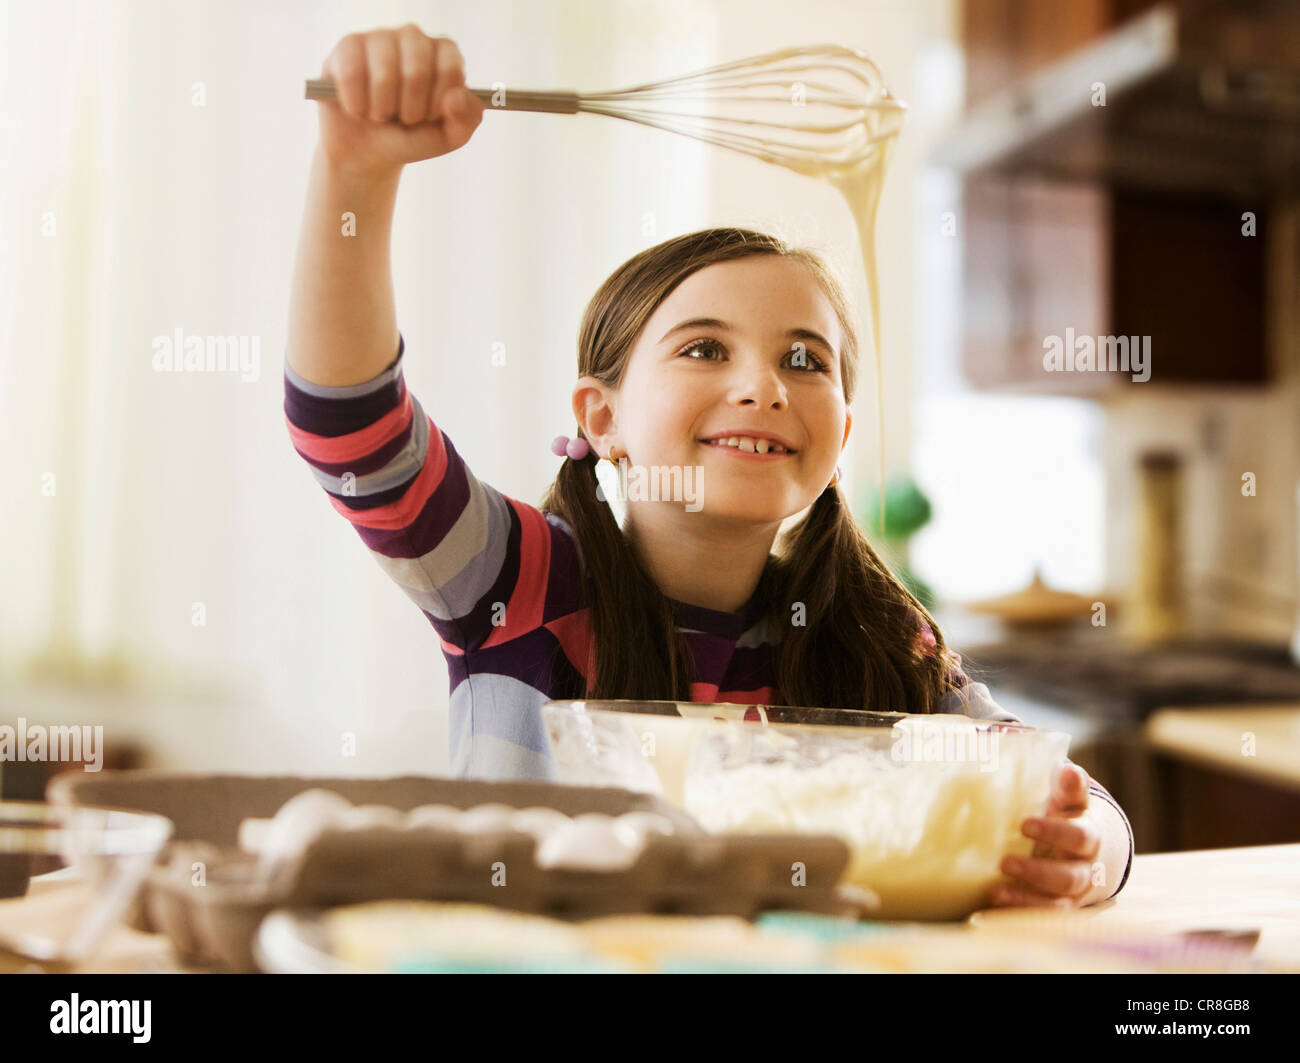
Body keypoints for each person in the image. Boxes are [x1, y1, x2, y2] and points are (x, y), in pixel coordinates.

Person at [284, 25, 1134, 909]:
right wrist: (356, 173)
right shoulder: (519, 581)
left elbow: (1061, 788)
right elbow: (351, 425)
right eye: (704, 349)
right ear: (601, 417)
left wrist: (1087, 849)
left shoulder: (878, 634)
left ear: (841, 436)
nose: (763, 387)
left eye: (805, 360)